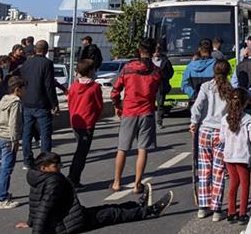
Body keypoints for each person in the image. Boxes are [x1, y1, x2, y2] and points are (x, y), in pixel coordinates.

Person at [15, 152, 173, 234]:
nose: (60, 167)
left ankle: (136, 205)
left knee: (108, 208)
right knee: (112, 214)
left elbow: (34, 203)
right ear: (44, 167)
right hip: (69, 224)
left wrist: (30, 222)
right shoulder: (53, 181)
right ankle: (151, 211)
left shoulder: (35, 177)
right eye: (56, 166)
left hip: (68, 217)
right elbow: (44, 207)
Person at [110, 38, 161, 193]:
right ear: (153, 52)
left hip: (129, 111)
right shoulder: (156, 72)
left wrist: (118, 104)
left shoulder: (128, 68)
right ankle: (137, 184)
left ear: (139, 50)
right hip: (147, 112)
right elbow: (159, 91)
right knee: (142, 149)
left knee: (122, 148)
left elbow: (115, 89)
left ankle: (117, 182)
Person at [190, 59, 234, 222]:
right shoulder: (230, 89)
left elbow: (197, 107)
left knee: (204, 170)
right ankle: (216, 209)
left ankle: (203, 207)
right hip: (220, 132)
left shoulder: (206, 86)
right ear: (228, 72)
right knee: (218, 172)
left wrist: (194, 122)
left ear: (213, 71)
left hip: (205, 131)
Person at [219, 87, 251, 225]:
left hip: (229, 156)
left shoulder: (224, 119)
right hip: (242, 155)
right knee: (245, 184)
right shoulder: (248, 119)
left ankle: (231, 212)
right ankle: (242, 212)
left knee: (233, 184)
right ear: (245, 102)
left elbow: (221, 139)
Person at [19, 41, 58, 168]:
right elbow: (49, 85)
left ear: (35, 49)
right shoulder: (47, 63)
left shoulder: (26, 63)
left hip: (27, 102)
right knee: (45, 134)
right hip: (42, 104)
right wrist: (54, 103)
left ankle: (27, 160)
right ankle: (45, 161)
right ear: (46, 50)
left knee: (27, 133)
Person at [66, 59, 103, 188]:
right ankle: (73, 177)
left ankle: (73, 176)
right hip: (87, 122)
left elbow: (69, 102)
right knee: (82, 152)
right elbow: (99, 106)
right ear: (91, 71)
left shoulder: (74, 86)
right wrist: (94, 118)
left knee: (80, 149)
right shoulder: (95, 87)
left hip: (76, 121)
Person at [0, 76, 26, 209]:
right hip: (8, 138)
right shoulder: (16, 102)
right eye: (24, 89)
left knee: (3, 168)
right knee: (7, 168)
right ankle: (2, 199)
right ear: (18, 89)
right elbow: (14, 123)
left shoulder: (3, 99)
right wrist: (15, 140)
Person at [152, 44, 174, 128]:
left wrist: (163, 77)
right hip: (150, 85)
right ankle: (150, 121)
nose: (156, 53)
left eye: (158, 51)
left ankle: (159, 122)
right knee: (149, 104)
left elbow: (170, 72)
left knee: (160, 104)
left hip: (161, 85)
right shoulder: (149, 61)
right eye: (155, 51)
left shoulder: (165, 61)